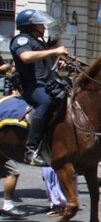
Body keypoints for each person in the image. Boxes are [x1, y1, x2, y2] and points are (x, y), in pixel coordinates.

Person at [10, 9, 68, 166]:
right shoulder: (21, 40)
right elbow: (26, 57)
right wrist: (55, 51)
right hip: (32, 85)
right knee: (46, 102)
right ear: (30, 26)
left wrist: (59, 61)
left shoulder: (40, 43)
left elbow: (46, 63)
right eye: (40, 24)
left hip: (48, 83)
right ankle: (31, 149)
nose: (43, 26)